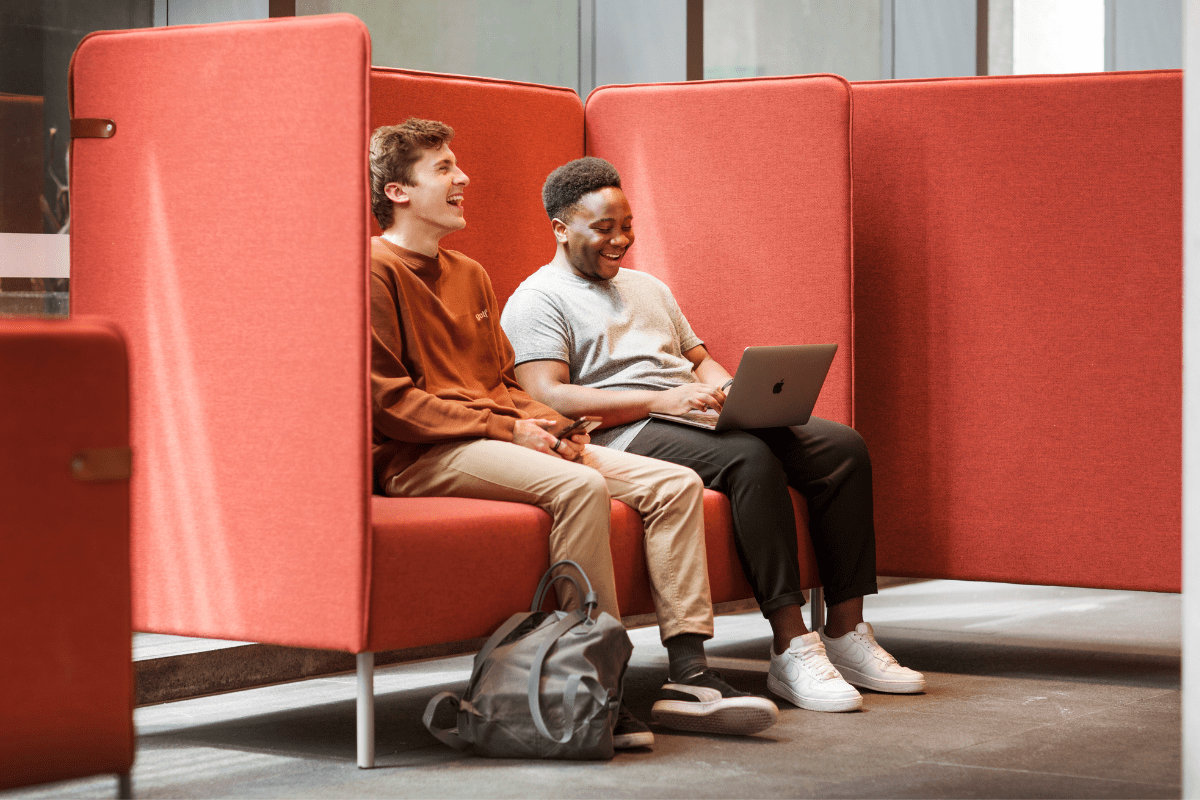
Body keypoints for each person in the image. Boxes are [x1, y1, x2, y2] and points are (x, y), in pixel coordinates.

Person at [368, 120, 779, 748]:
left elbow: (501, 381)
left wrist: (554, 426)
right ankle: (592, 688)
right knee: (581, 487)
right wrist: (512, 428)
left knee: (675, 484)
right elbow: (390, 402)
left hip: (495, 436)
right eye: (445, 168)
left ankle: (689, 675)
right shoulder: (373, 271)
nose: (463, 179)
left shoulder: (469, 273)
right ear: (398, 191)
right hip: (421, 454)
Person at [500, 156, 925, 714]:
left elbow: (698, 361)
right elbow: (548, 396)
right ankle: (792, 646)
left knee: (841, 447)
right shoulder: (537, 298)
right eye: (604, 229)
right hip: (624, 431)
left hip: (689, 414)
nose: (620, 239)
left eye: (626, 225)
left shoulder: (650, 288)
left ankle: (847, 635)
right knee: (748, 458)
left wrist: (732, 393)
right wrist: (662, 400)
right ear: (561, 229)